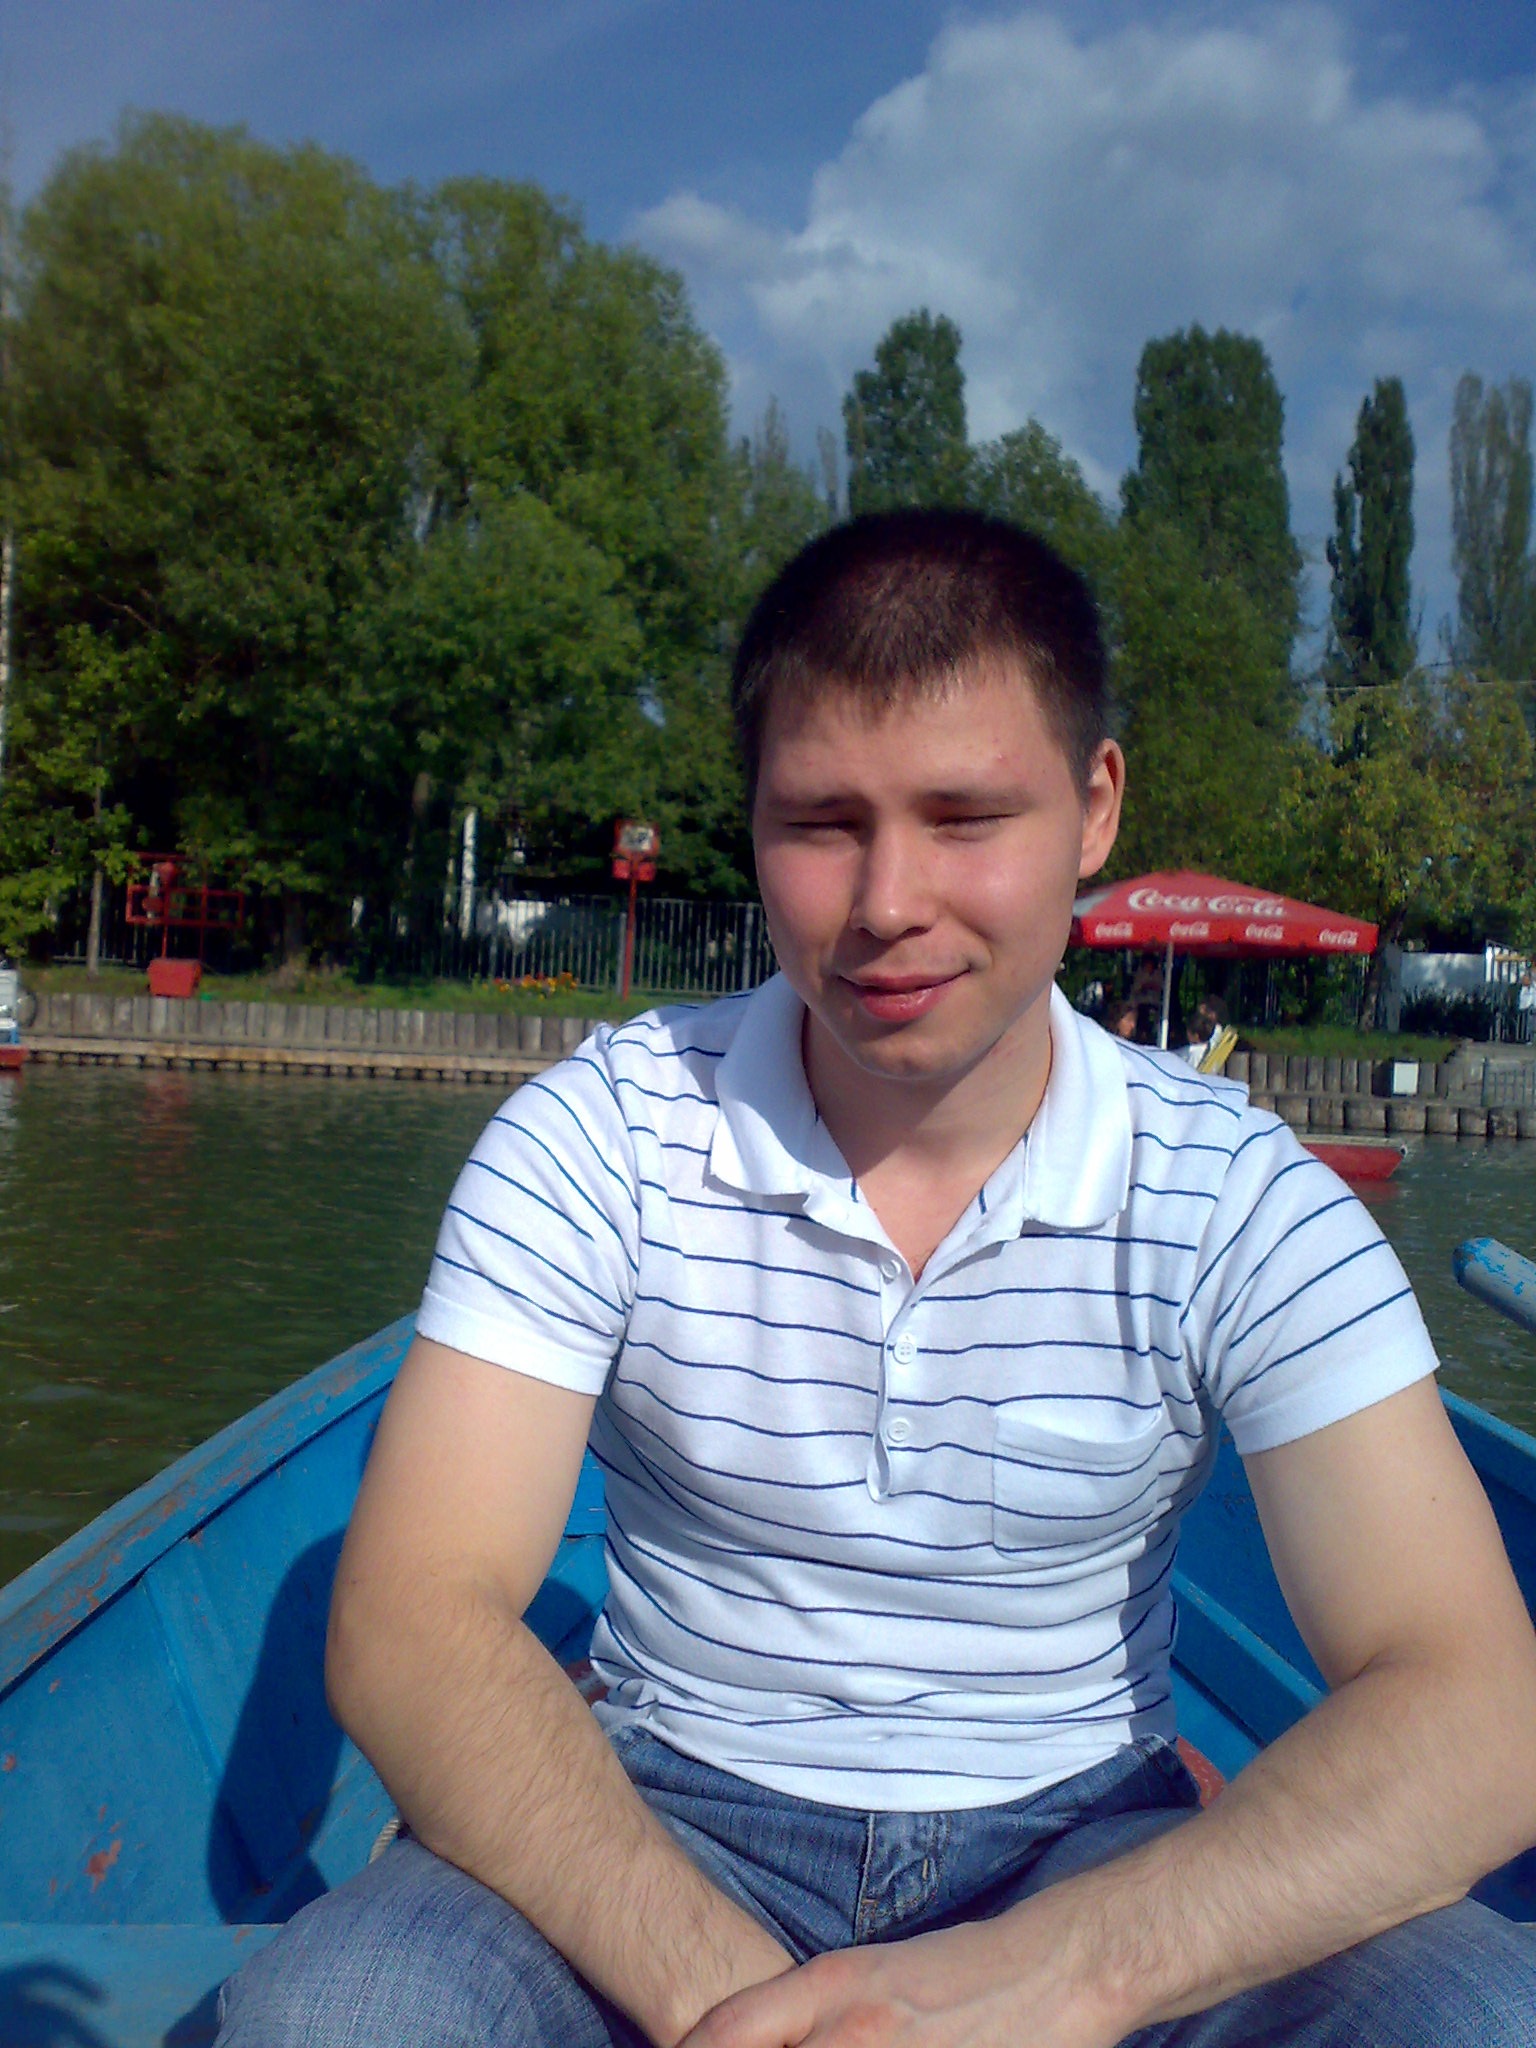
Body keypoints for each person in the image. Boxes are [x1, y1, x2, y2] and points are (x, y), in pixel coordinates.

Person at [218, 510, 1536, 2048]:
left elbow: (1477, 1703)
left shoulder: (1240, 1198)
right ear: (752, 820)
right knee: (334, 2015)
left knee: (1482, 2017)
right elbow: (412, 1615)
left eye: (965, 817)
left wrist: (1064, 1977)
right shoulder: (595, 1141)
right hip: (656, 1813)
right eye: (821, 822)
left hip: (1088, 1840)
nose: (888, 900)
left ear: (1095, 808)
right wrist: (754, 2011)